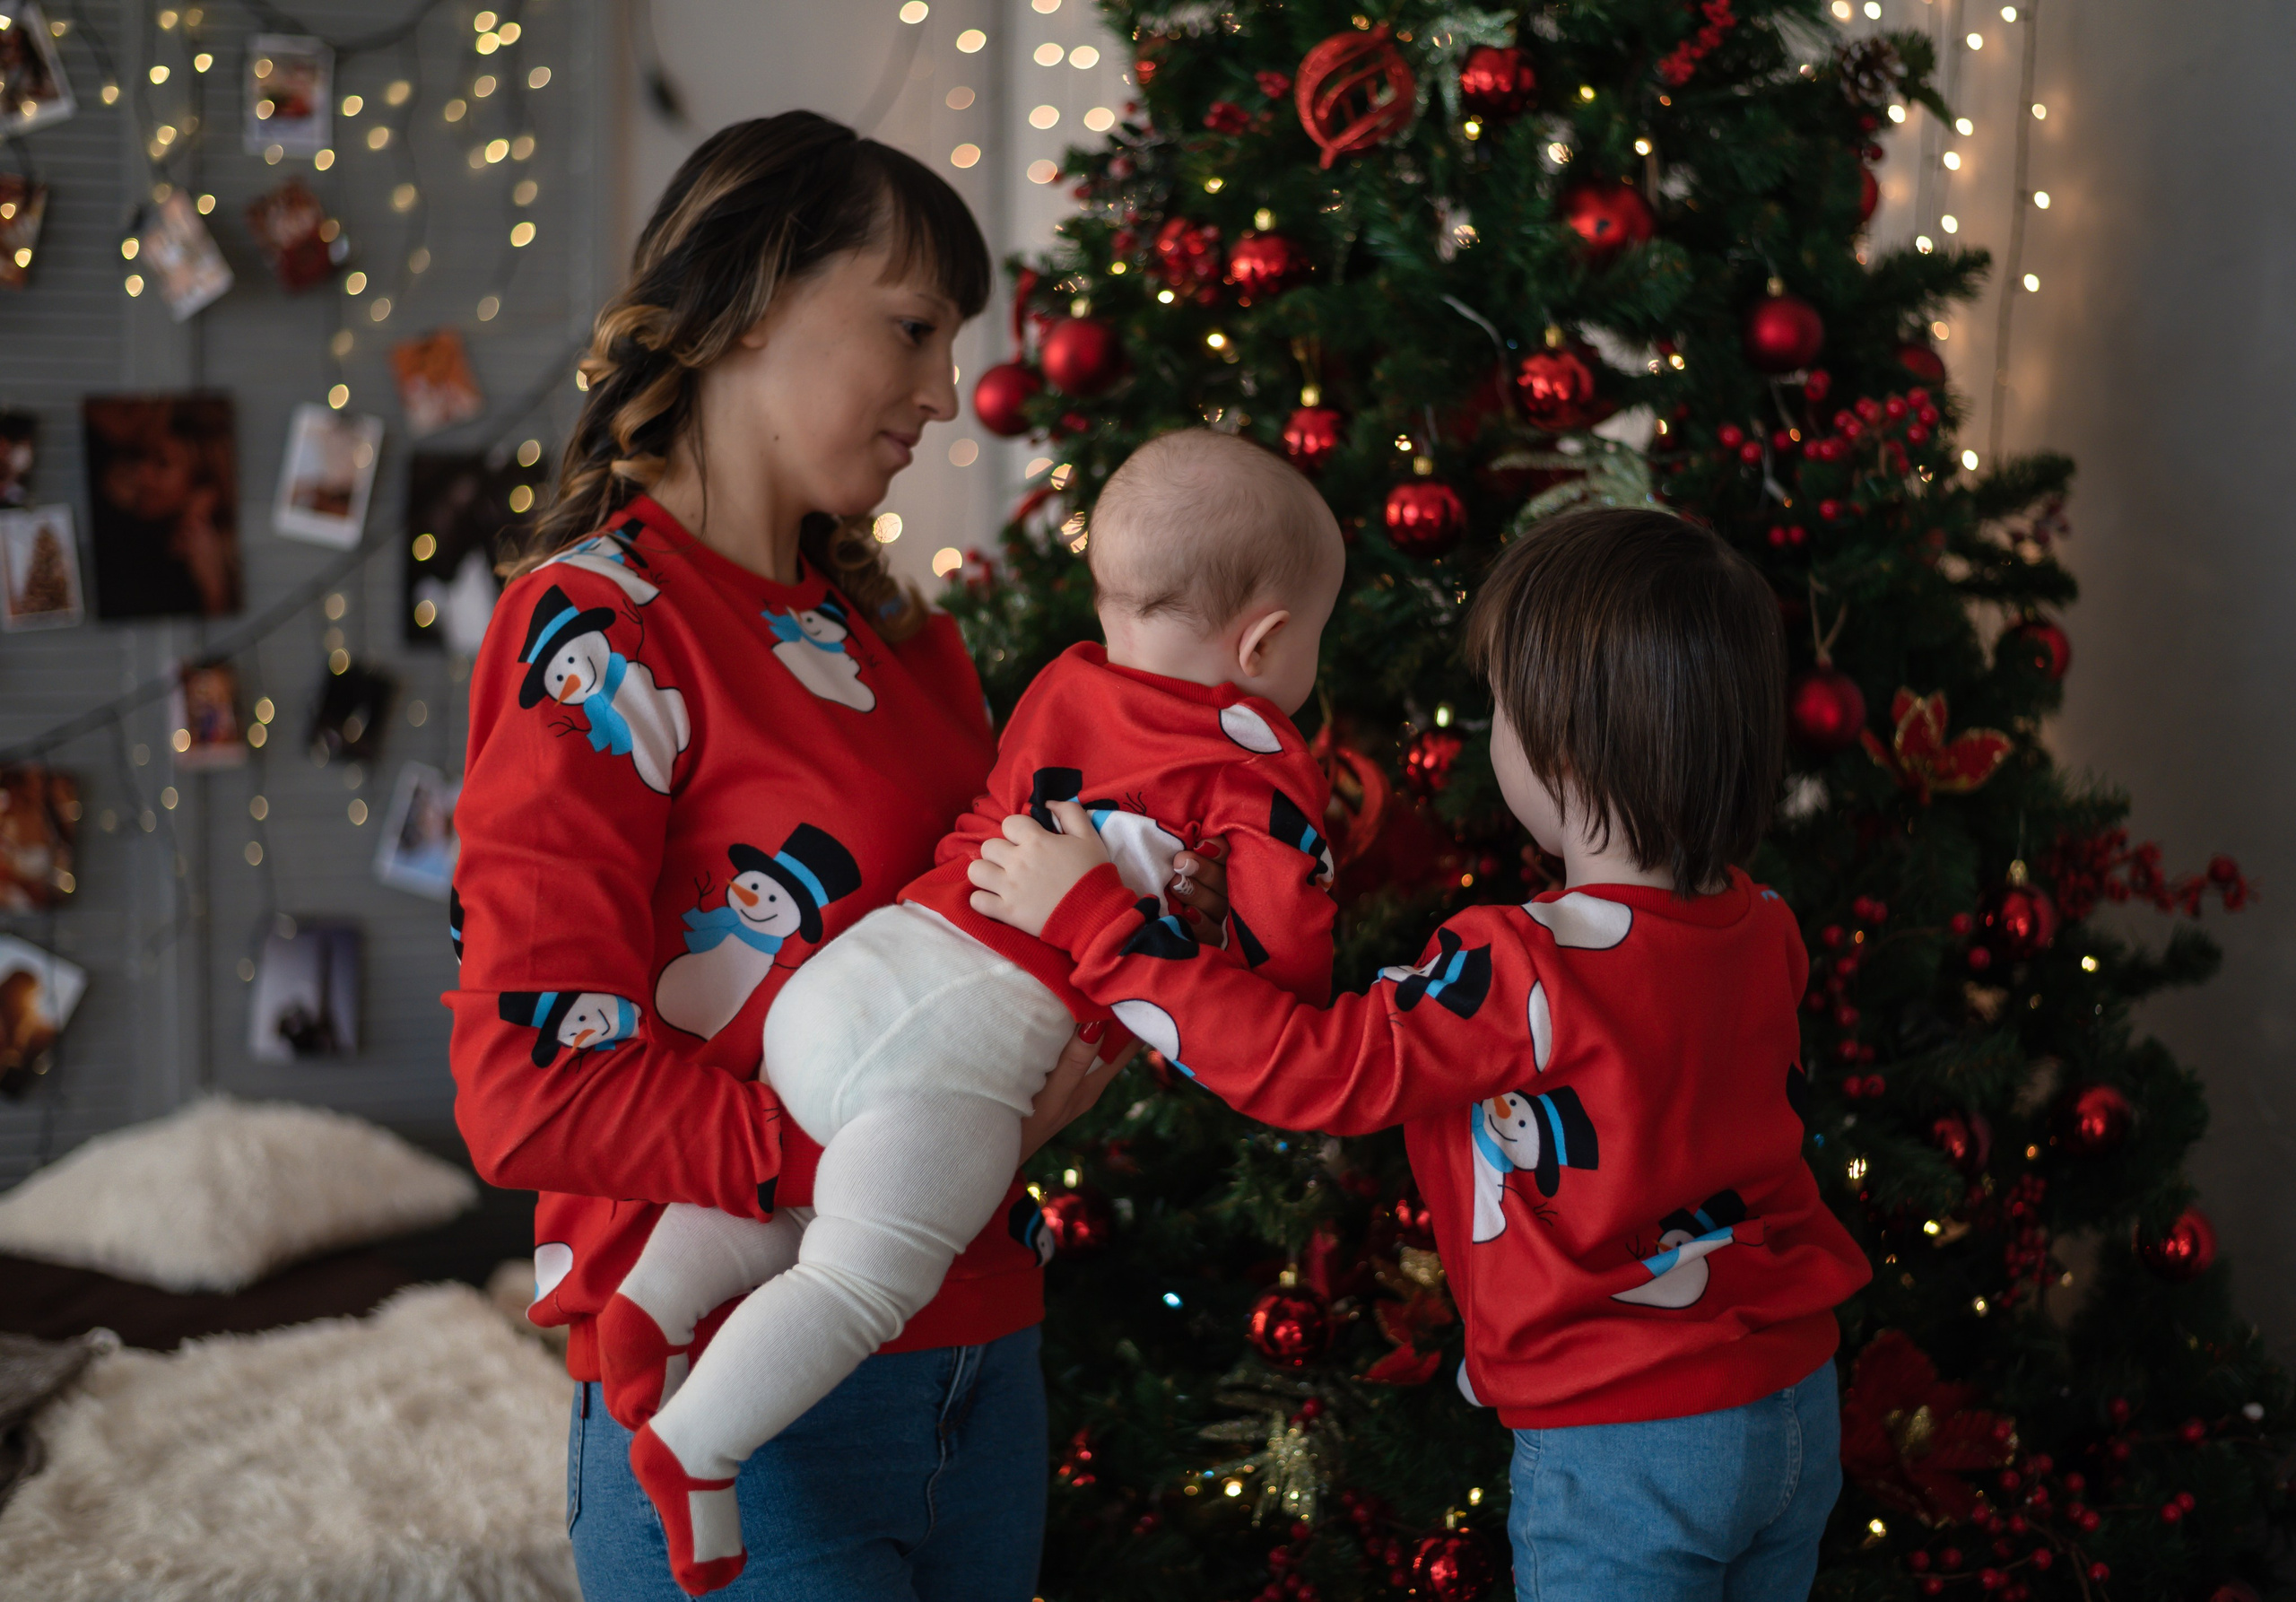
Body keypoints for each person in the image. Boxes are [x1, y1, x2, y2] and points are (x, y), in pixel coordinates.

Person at [445, 112, 1227, 1601]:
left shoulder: (909, 643)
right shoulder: (601, 637)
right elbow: (528, 1078)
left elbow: (968, 970)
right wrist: (882, 1165)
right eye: (914, 328)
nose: (947, 393)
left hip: (981, 1355)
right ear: (750, 301)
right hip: (745, 1400)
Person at [971, 507, 1874, 1600]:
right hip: (1791, 1402)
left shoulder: (1521, 965)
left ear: (1562, 745)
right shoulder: (1759, 921)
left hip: (1625, 1436)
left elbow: (1317, 1069)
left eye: (1500, 708)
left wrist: (1100, 928)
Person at [602, 429, 1348, 1592]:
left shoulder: (1065, 682)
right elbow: (1287, 971)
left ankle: (653, 1298)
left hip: (859, 976)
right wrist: (1236, 909)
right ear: (1265, 641)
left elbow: (1115, 809)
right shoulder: (1261, 763)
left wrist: (1186, 893)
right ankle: (696, 1444)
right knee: (860, 1272)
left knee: (812, 1195)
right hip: (957, 1055)